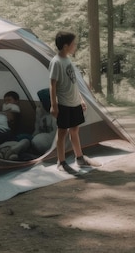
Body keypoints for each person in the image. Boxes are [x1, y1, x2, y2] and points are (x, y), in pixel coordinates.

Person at [49, 31, 101, 174]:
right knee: (62, 133)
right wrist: (54, 105)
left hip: (74, 102)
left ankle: (80, 158)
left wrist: (81, 99)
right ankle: (61, 161)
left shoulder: (68, 60)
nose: (75, 46)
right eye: (74, 44)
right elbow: (52, 85)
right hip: (64, 104)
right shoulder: (56, 62)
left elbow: (73, 83)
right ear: (66, 46)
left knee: (75, 130)